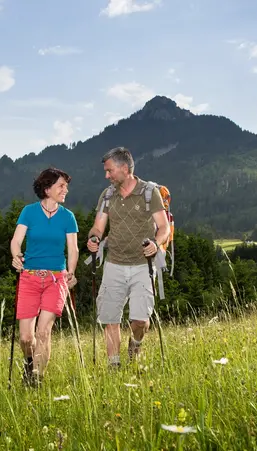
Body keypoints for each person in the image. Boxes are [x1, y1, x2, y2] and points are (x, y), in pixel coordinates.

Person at [86, 146, 170, 368]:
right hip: (114, 264)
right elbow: (98, 227)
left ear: (124, 168)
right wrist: (93, 239)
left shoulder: (150, 193)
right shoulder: (107, 195)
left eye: (109, 170)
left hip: (143, 265)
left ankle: (136, 342)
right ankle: (114, 366)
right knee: (110, 318)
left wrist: (156, 243)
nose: (107, 175)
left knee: (140, 320)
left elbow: (163, 228)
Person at [10, 167, 79, 386]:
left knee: (43, 331)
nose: (65, 190)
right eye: (61, 186)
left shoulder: (68, 217)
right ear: (47, 188)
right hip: (29, 277)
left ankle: (36, 380)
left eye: (66, 186)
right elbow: (16, 241)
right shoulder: (29, 212)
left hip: (56, 279)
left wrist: (71, 272)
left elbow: (73, 249)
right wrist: (16, 256)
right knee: (25, 338)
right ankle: (30, 363)